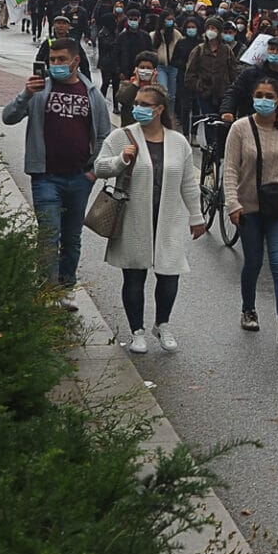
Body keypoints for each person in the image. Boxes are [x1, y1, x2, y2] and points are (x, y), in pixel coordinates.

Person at [92, 84, 204, 354]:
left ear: (159, 109)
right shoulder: (122, 136)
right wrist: (121, 160)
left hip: (167, 219)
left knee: (170, 275)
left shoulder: (178, 142)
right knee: (134, 276)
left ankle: (162, 324)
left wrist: (196, 216)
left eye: (145, 104)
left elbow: (188, 182)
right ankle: (137, 331)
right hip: (133, 218)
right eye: (136, 103)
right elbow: (99, 167)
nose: (138, 108)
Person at [2, 39, 112, 301]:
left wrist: (93, 172)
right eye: (52, 60)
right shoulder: (41, 89)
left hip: (79, 178)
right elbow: (8, 117)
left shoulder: (91, 93)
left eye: (62, 59)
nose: (56, 64)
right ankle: (47, 292)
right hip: (46, 177)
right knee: (49, 236)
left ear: (75, 61)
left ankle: (65, 289)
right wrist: (26, 94)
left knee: (71, 239)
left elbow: (104, 135)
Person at [222, 76, 278, 342]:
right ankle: (248, 309)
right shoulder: (240, 129)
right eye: (259, 95)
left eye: (269, 96)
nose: (264, 100)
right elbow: (230, 169)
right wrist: (233, 204)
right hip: (248, 208)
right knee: (254, 261)